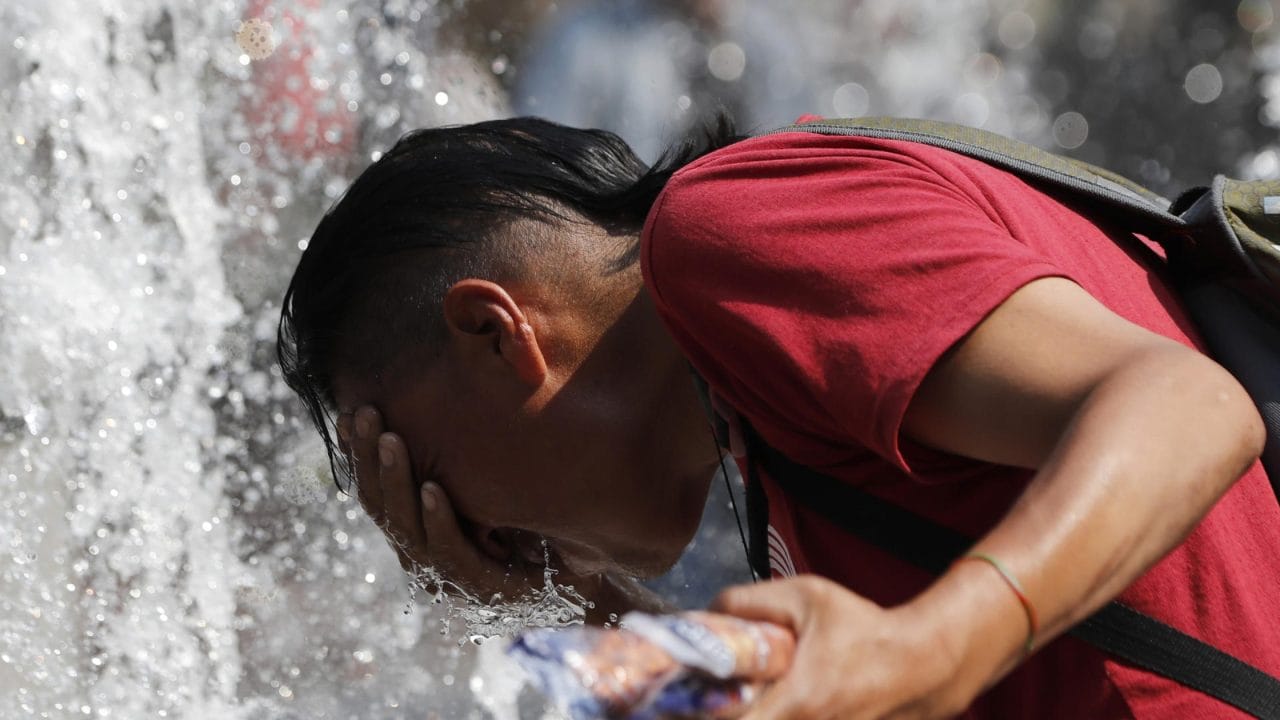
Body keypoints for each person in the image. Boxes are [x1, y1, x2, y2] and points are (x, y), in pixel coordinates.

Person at [276, 115, 1280, 719]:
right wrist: (571, 598)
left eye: (413, 471)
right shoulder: (780, 436)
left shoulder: (725, 230)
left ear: (497, 333)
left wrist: (934, 647)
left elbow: (1186, 406)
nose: (438, 523)